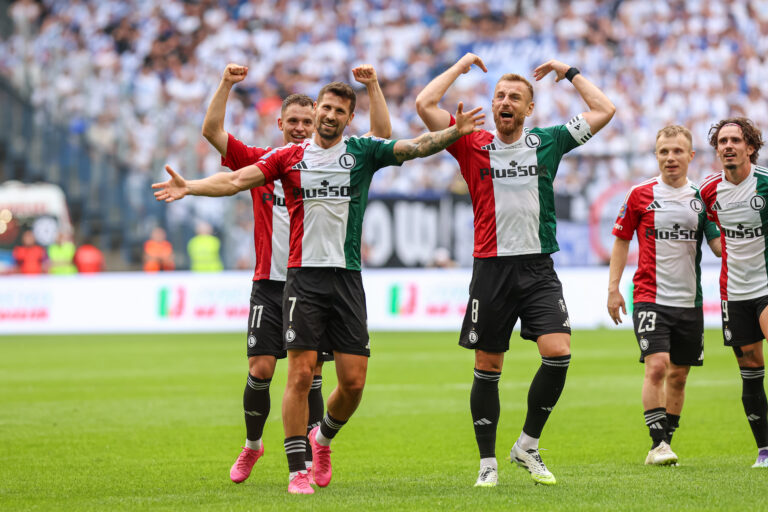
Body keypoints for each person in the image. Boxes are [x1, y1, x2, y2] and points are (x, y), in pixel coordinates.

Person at [153, 80, 484, 494]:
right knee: (300, 373)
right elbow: (236, 181)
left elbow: (414, 146)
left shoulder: (362, 153)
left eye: (338, 112)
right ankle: (297, 470)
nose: (329, 116)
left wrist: (455, 132)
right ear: (318, 112)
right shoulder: (286, 157)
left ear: (347, 118)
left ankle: (322, 439)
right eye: (325, 108)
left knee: (353, 383)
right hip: (302, 279)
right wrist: (192, 187)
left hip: (346, 278)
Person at [415, 53, 615, 486]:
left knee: (558, 352)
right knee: (489, 365)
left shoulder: (548, 141)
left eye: (515, 97)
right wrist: (458, 67)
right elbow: (424, 104)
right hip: (491, 268)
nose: (505, 101)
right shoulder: (471, 140)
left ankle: (527, 444)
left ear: (529, 109)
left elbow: (604, 110)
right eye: (500, 95)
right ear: (493, 104)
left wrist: (570, 73)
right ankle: (487, 464)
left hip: (538, 266)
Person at [199, 63, 392, 485]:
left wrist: (373, 86)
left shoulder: (332, 160)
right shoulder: (267, 161)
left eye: (309, 120)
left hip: (315, 280)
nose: (303, 128)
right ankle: (253, 446)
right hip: (271, 283)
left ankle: (311, 455)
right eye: (296, 121)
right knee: (262, 370)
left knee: (311, 373)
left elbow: (381, 141)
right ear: (281, 123)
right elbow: (213, 133)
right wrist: (227, 84)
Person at [607, 125, 721, 466]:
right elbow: (622, 239)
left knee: (680, 375)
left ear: (691, 156)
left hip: (690, 301)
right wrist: (613, 288)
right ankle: (658, 443)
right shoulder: (640, 194)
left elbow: (718, 247)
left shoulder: (702, 198)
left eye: (677, 151)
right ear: (656, 155)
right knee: (656, 367)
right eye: (663, 152)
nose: (670, 158)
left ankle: (664, 444)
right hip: (649, 297)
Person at [699, 117, 768, 468]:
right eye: (722, 141)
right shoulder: (709, 190)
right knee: (751, 369)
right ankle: (765, 450)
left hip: (767, 287)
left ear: (750, 147)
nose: (727, 146)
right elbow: (704, 220)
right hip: (733, 292)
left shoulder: (766, 185)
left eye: (734, 140)